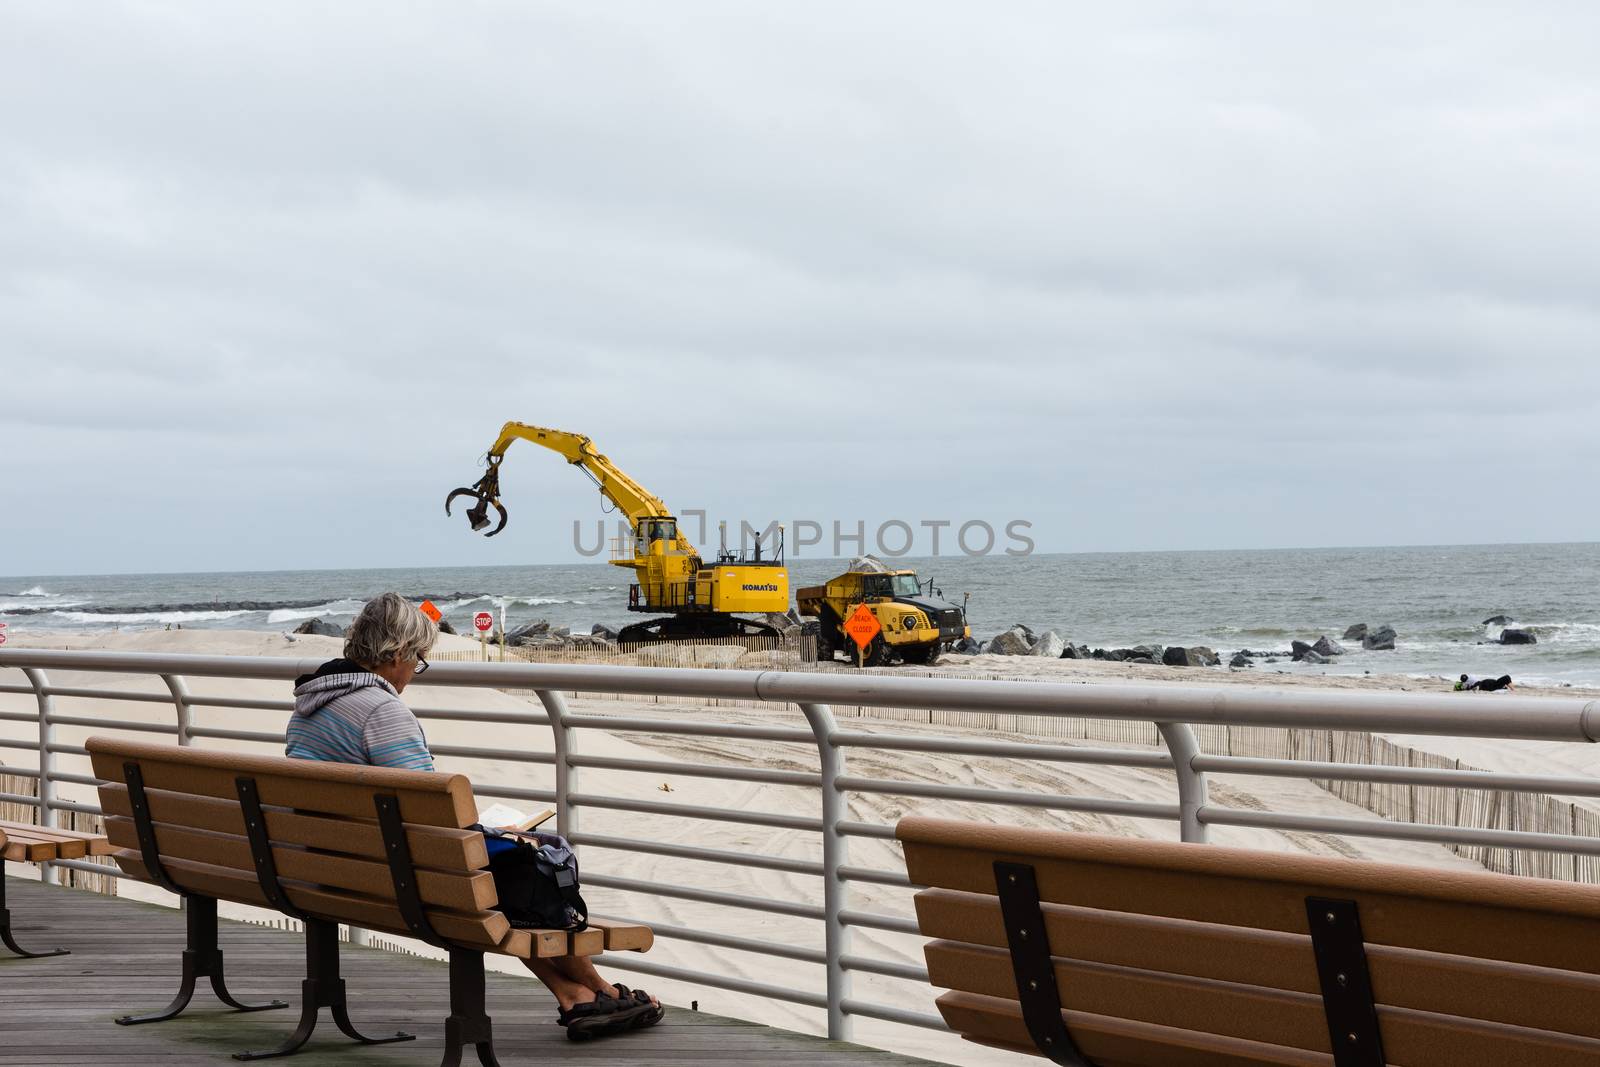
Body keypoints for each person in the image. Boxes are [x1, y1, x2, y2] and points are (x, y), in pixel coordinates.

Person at [286, 592, 663, 1039]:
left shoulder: (308, 708)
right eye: (418, 660)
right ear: (397, 653)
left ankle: (575, 996)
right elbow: (431, 815)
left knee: (497, 872)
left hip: (325, 869)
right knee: (525, 867)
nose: (414, 673)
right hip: (396, 880)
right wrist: (497, 833)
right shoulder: (381, 710)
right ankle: (601, 989)